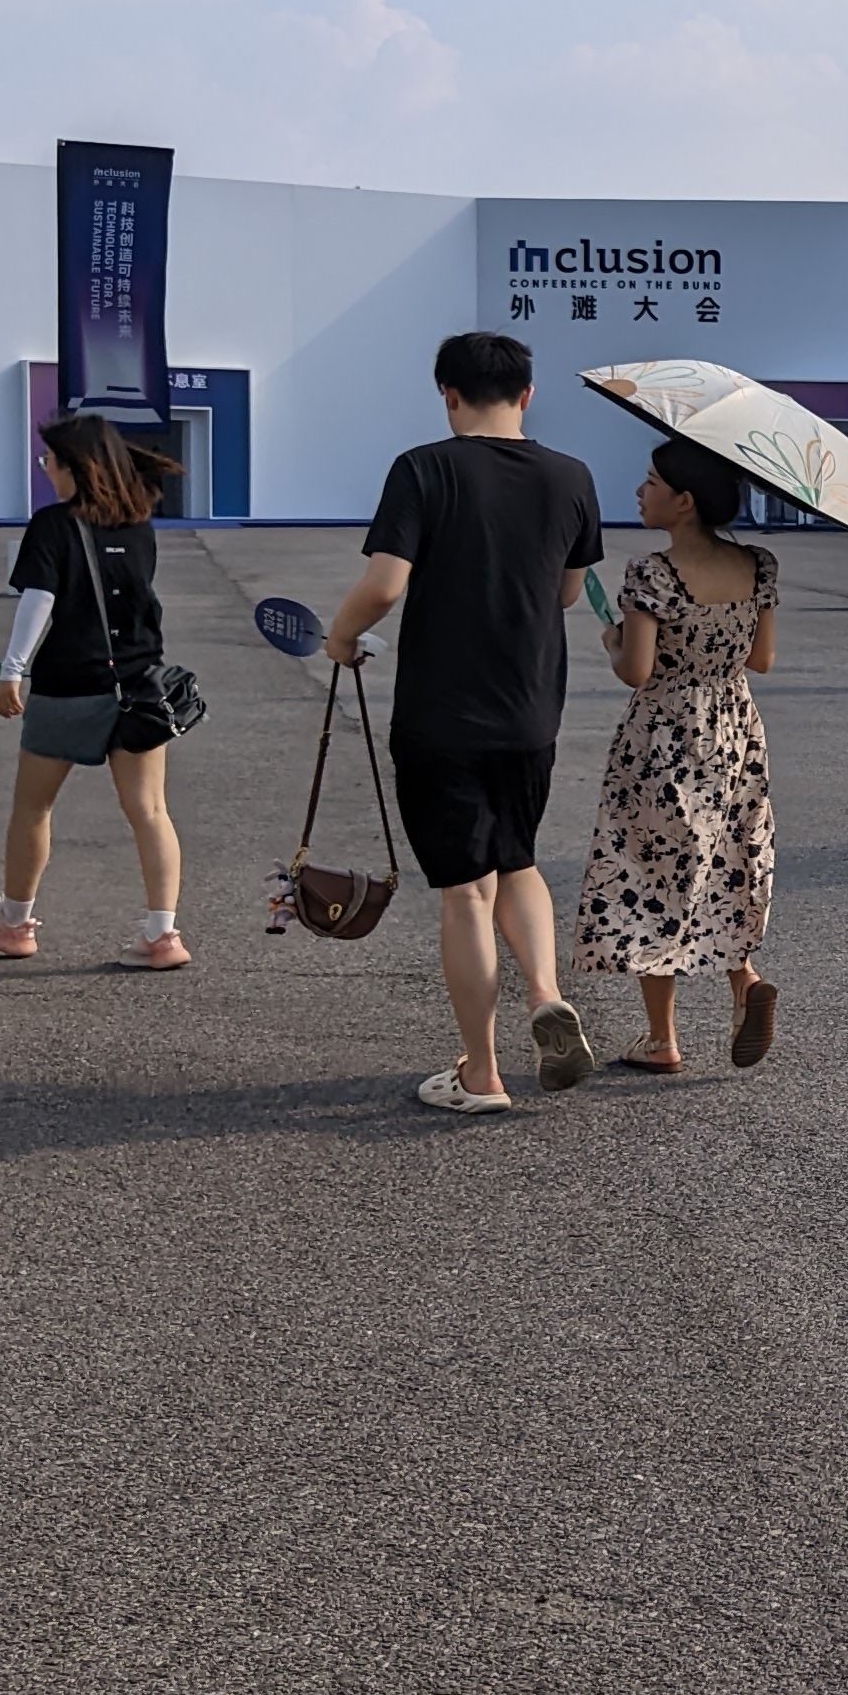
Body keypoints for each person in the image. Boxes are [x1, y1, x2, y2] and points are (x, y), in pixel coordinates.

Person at [323, 332, 606, 1114]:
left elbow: (385, 585)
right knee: (517, 860)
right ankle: (545, 993)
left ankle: (481, 1074)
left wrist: (341, 636)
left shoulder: (425, 468)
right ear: (528, 394)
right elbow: (568, 592)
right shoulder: (572, 476)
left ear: (448, 394)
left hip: (441, 714)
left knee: (464, 893)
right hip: (530, 712)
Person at [575, 434, 784, 1073]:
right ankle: (744, 981)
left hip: (665, 734)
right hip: (734, 727)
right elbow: (762, 658)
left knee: (653, 871)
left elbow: (636, 671)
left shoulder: (652, 573)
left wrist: (613, 639)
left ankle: (662, 1039)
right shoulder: (757, 565)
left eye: (652, 482)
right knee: (726, 858)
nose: (641, 492)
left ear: (684, 501)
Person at [0, 413, 190, 969]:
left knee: (33, 807)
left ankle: (15, 923)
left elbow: (39, 600)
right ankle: (162, 935)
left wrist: (12, 670)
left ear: (75, 468)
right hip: (140, 687)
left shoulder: (53, 525)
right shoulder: (138, 523)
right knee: (150, 810)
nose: (46, 469)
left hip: (69, 685)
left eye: (50, 461)